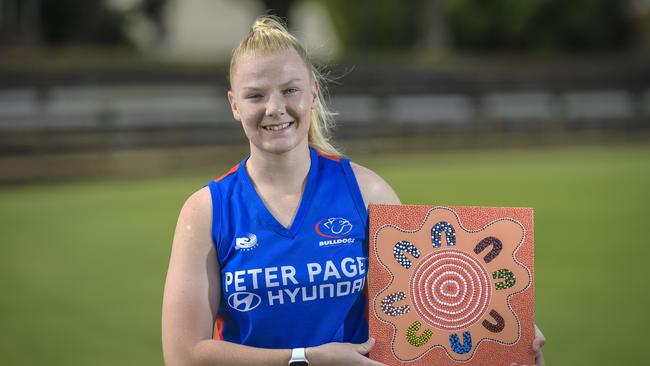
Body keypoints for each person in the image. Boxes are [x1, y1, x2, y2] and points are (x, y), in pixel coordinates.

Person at [162, 15, 545, 366]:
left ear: (312, 93)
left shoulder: (367, 192)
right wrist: (306, 359)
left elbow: (428, 314)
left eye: (289, 90)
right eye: (256, 95)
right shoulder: (207, 211)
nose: (275, 108)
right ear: (234, 105)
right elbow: (183, 356)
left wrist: (505, 339)